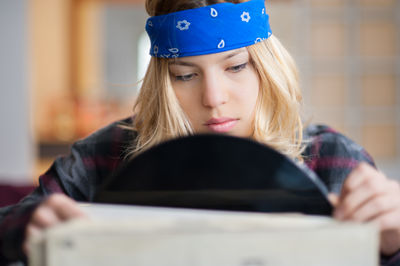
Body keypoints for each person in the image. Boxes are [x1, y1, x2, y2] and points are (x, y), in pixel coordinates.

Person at [1, 0, 400, 265]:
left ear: (268, 68)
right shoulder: (100, 157)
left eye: (236, 67)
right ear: (160, 81)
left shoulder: (335, 160)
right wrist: (25, 228)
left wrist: (394, 241)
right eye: (185, 75)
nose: (213, 98)